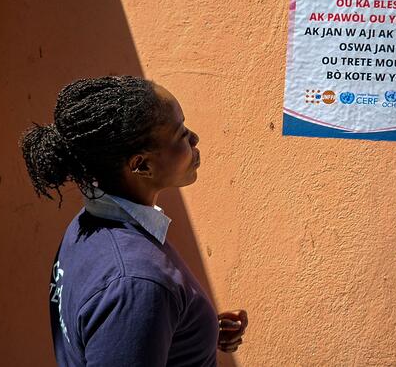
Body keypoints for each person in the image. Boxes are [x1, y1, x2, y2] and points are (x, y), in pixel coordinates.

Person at [20, 76, 247, 366]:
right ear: (141, 165)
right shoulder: (135, 284)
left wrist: (194, 331)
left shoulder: (87, 227)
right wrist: (148, 311)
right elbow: (130, 303)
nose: (194, 138)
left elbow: (115, 330)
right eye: (180, 134)